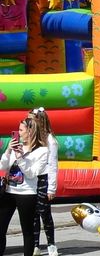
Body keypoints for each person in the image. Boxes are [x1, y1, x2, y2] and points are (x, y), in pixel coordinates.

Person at [0, 117, 49, 256]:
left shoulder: (42, 151)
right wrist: (8, 151)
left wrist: (20, 157)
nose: (18, 132)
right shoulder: (16, 146)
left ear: (30, 131)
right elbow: (2, 166)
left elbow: (32, 173)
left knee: (27, 231)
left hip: (27, 193)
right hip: (8, 191)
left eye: (21, 130)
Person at [29, 109, 58, 256]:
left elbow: (53, 165)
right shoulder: (31, 138)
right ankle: (35, 245)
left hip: (44, 180)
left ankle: (51, 244)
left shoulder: (50, 141)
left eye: (31, 120)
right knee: (33, 214)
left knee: (44, 213)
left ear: (39, 121)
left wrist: (51, 188)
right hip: (31, 179)